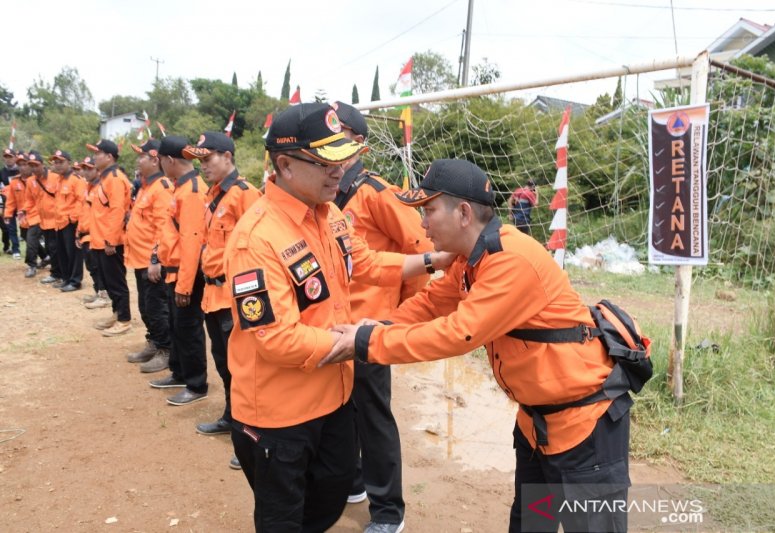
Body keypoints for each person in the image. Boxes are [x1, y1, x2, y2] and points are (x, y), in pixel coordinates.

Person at [322, 159, 632, 533]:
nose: (422, 224)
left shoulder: (510, 261)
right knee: (533, 523)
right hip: (537, 426)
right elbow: (432, 303)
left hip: (584, 430)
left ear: (464, 213)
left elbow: (459, 333)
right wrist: (382, 325)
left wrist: (369, 341)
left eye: (429, 211)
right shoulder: (470, 260)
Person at [224, 102, 454, 532]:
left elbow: (364, 263)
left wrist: (434, 260)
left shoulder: (329, 217)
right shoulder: (256, 240)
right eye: (326, 161)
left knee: (329, 502)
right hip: (280, 415)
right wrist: (358, 341)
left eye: (342, 158)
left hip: (333, 398)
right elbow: (275, 339)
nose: (339, 170)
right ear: (286, 165)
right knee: (285, 519)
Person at [332, 101, 432, 533]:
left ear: (358, 143)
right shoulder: (327, 193)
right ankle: (353, 484)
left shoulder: (376, 192)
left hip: (372, 327)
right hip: (335, 324)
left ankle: (388, 510)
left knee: (373, 416)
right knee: (341, 409)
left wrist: (400, 317)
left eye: (337, 139)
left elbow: (421, 247)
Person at [182, 132, 260, 456]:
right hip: (213, 296)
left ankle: (253, 438)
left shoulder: (246, 195)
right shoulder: (213, 196)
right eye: (199, 161)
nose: (203, 166)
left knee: (246, 371)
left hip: (235, 296)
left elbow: (259, 249)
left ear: (227, 157)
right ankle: (232, 419)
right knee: (224, 365)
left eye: (208, 158)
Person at [149, 136, 210, 406]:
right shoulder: (180, 187)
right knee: (177, 326)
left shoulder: (193, 190)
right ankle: (179, 372)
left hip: (188, 273)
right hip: (174, 269)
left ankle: (196, 384)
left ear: (169, 160)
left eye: (160, 160)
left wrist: (185, 285)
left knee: (189, 328)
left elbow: (192, 241)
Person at [124, 139, 174, 372]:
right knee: (145, 306)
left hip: (152, 262)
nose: (138, 159)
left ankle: (166, 350)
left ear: (155, 159)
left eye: (142, 156)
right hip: (139, 259)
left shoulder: (162, 187)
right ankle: (154, 342)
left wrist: (155, 259)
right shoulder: (146, 186)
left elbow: (164, 228)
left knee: (156, 307)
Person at [86, 139, 132, 336]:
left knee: (116, 282)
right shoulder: (104, 179)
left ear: (109, 157)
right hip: (100, 240)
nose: (95, 157)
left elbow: (117, 211)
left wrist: (111, 240)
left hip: (110, 242)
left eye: (98, 153)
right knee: (108, 280)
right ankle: (116, 313)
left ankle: (124, 319)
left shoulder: (114, 178)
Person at [75, 156, 111, 308]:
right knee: (91, 265)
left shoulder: (102, 187)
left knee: (97, 265)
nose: (86, 172)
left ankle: (104, 295)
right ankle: (99, 291)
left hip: (96, 234)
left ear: (98, 170)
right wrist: (78, 231)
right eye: (84, 169)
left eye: (90, 168)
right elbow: (84, 212)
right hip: (85, 233)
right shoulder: (88, 187)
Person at [50, 150, 85, 292]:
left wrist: (72, 218)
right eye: (56, 162)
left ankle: (75, 281)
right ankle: (66, 278)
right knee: (62, 252)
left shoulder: (76, 180)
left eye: (61, 162)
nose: (58, 165)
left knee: (74, 254)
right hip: (59, 222)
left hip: (70, 222)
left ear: (68, 162)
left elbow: (80, 201)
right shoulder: (59, 180)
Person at [26, 152, 63, 285]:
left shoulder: (55, 178)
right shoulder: (30, 181)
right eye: (31, 165)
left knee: (55, 248)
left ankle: (58, 274)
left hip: (56, 220)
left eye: (36, 165)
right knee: (49, 247)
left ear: (42, 164)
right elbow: (29, 201)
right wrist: (28, 215)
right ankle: (56, 273)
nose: (33, 168)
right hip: (42, 220)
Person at [2, 150, 25, 262]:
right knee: (11, 228)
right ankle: (15, 250)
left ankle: (36, 248)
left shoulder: (21, 169)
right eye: (6, 157)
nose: (8, 159)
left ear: (15, 158)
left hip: (23, 203)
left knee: (26, 228)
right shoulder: (2, 172)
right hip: (9, 203)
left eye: (10, 157)